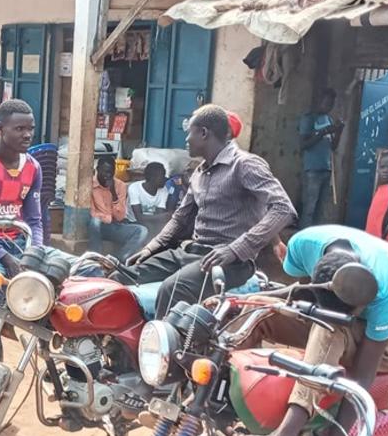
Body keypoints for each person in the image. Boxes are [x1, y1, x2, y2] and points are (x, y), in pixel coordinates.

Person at [227, 225, 388, 436]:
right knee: (255, 308)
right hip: (326, 314)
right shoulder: (302, 246)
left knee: (328, 329)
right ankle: (221, 407)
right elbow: (300, 293)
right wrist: (241, 303)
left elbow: (362, 378)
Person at [119, 104, 297, 317]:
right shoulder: (199, 173)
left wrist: (235, 249)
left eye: (190, 133)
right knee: (122, 275)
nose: (186, 140)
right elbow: (180, 218)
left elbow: (283, 208)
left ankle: (163, 348)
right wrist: (151, 248)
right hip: (192, 252)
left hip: (231, 263)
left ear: (203, 133)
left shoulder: (245, 165)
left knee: (171, 289)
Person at [0, 99, 93, 361]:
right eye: (19, 129)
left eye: (30, 129)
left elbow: (35, 218)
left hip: (21, 243)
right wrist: (5, 257)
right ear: (0, 129)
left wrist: (33, 251)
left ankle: (73, 353)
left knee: (87, 268)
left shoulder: (33, 167)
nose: (27, 135)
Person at [298, 88, 344, 229]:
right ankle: (302, 237)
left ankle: (315, 238)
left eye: (331, 104)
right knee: (309, 209)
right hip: (312, 170)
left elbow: (333, 147)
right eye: (327, 103)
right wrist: (323, 131)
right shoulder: (308, 118)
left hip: (326, 169)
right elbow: (303, 144)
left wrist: (339, 131)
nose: (329, 106)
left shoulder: (328, 119)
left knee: (320, 210)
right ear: (319, 101)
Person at [89, 157, 149, 262]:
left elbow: (120, 216)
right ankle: (95, 258)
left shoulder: (120, 186)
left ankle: (118, 259)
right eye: (105, 172)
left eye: (111, 172)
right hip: (97, 227)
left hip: (114, 226)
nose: (107, 176)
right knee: (95, 222)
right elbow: (92, 213)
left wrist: (113, 193)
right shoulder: (90, 185)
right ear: (97, 169)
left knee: (142, 231)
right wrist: (108, 218)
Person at [126, 161, 170, 237]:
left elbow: (160, 215)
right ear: (153, 177)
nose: (165, 178)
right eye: (162, 176)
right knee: (150, 229)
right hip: (132, 222)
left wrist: (162, 217)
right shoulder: (134, 188)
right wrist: (164, 216)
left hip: (151, 221)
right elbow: (139, 217)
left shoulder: (164, 190)